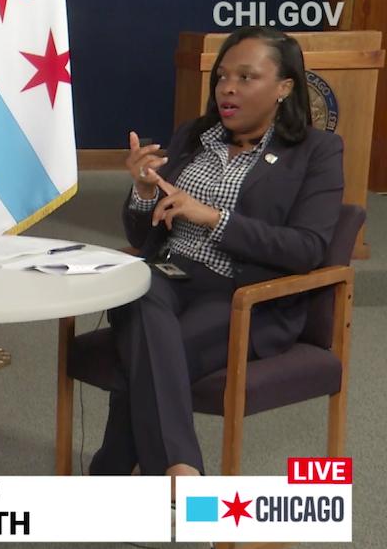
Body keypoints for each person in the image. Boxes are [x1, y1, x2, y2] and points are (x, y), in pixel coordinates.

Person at [91, 26, 344, 480]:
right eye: (223, 76)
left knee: (151, 351)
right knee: (141, 290)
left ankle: (119, 469)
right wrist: (144, 192)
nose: (227, 87)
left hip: (245, 293)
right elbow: (144, 237)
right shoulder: (194, 136)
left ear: (284, 87)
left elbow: (308, 248)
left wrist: (214, 218)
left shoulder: (315, 151)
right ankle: (177, 471)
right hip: (169, 275)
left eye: (247, 77)